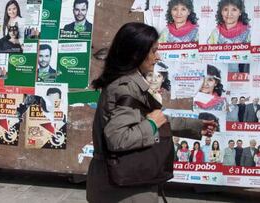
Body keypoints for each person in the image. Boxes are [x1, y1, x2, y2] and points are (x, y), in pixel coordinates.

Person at [86, 22, 216, 203]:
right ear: (136, 54)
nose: (158, 56)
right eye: (153, 51)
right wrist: (152, 124)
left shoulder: (129, 83)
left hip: (124, 185)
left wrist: (194, 126)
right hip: (122, 191)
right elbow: (118, 138)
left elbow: (147, 117)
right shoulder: (124, 87)